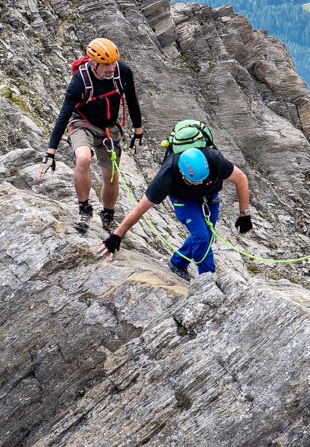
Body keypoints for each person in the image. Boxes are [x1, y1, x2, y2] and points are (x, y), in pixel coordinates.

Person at [101, 140, 252, 279]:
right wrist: (117, 235)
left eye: (203, 179)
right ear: (182, 173)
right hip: (183, 199)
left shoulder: (214, 159)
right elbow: (141, 207)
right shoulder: (167, 174)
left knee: (208, 236)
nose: (200, 183)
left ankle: (178, 262)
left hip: (209, 196)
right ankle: (208, 278)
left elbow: (241, 179)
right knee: (202, 237)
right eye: (195, 181)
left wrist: (244, 214)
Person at [39, 38, 145, 234]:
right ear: (92, 62)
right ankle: (84, 209)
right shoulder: (80, 80)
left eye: (113, 62)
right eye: (105, 64)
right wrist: (50, 153)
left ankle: (108, 215)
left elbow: (132, 101)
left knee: (110, 176)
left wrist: (138, 133)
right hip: (82, 123)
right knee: (83, 157)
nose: (111, 68)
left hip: (108, 129)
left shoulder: (122, 73)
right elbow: (63, 116)